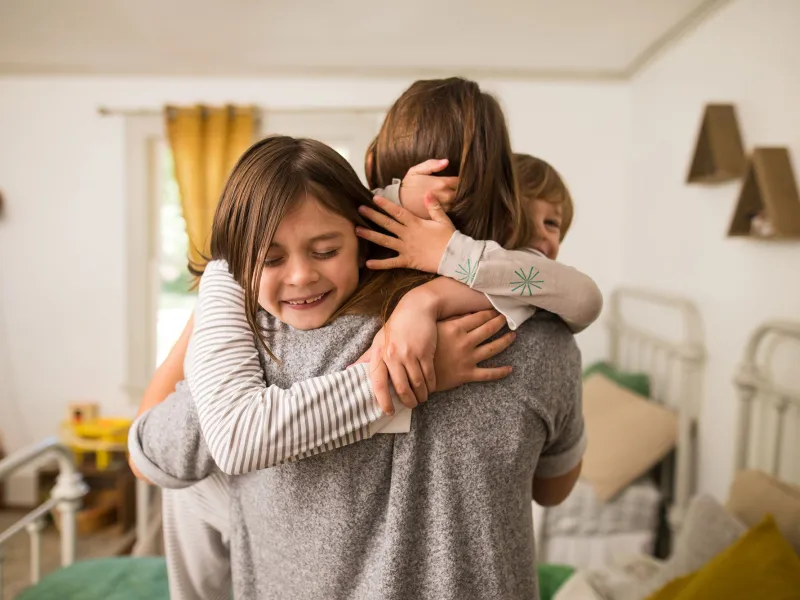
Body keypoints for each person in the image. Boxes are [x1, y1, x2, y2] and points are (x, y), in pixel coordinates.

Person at [131, 77, 592, 600]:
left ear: (370, 184)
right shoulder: (546, 335)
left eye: (324, 249)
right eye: (274, 257)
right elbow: (553, 488)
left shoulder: (270, 340)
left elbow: (152, 455)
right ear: (509, 192)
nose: (302, 275)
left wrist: (219, 300)